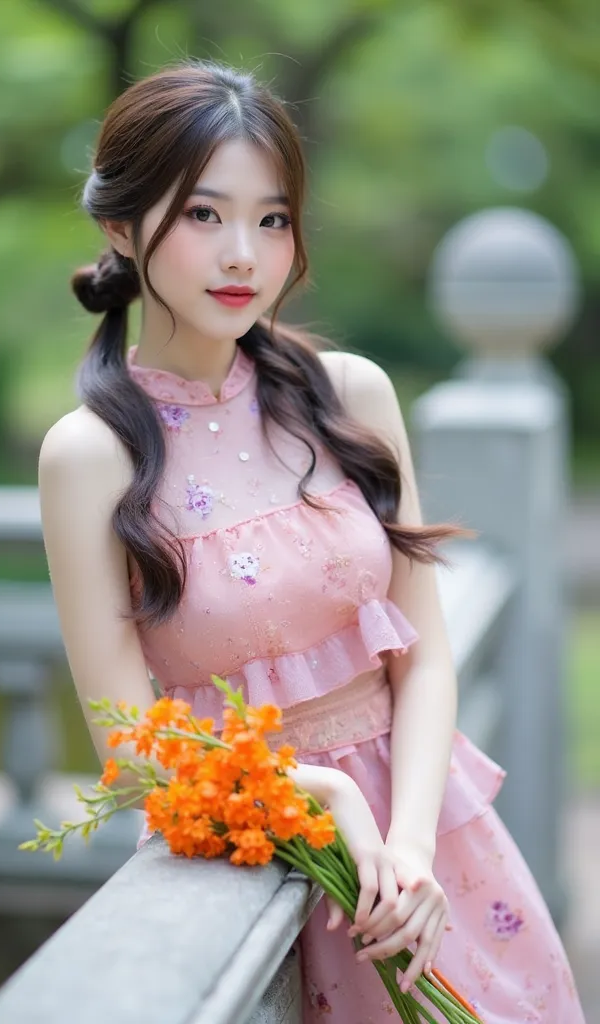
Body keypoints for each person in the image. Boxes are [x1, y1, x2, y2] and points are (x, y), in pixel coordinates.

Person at [38, 60, 586, 1023]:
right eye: (204, 215)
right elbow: (133, 752)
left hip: (434, 857)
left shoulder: (351, 396)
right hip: (269, 861)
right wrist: (322, 793)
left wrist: (409, 845)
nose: (244, 254)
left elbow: (422, 659)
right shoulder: (91, 456)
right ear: (120, 226)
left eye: (273, 218)